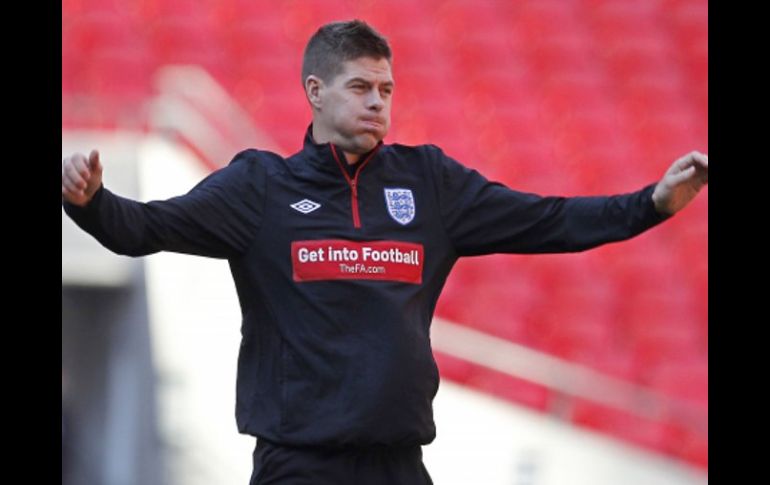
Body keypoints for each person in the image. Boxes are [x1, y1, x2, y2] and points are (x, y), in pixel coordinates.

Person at [61, 20, 708, 485]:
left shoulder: (429, 183)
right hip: (298, 464)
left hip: (399, 463)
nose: (377, 103)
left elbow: (548, 219)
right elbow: (142, 229)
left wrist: (650, 203)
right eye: (360, 88)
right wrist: (89, 201)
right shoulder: (259, 187)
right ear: (316, 92)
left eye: (386, 90)